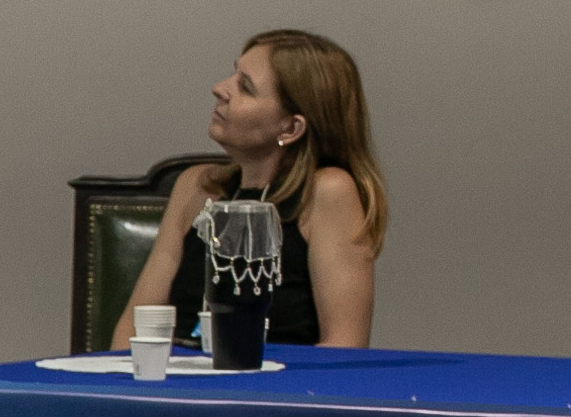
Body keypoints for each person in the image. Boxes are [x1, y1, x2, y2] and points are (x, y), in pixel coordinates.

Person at [114, 29, 388, 350]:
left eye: (245, 87)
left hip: (282, 380)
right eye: (233, 75)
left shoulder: (327, 192)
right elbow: (135, 323)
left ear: (291, 127)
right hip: (175, 377)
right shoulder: (196, 186)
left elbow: (344, 344)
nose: (219, 88)